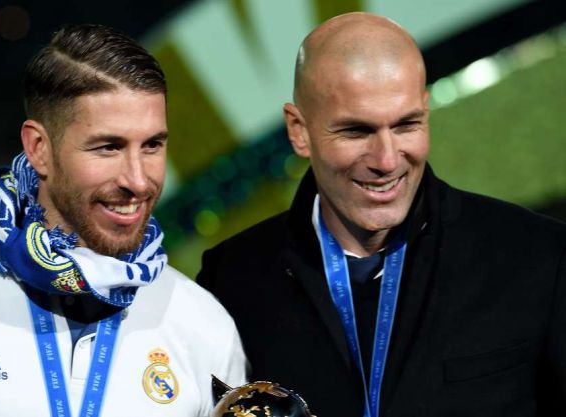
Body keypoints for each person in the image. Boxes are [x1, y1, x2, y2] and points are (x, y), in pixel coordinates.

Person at [197, 12, 566, 417]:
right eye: (356, 131)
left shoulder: (537, 257)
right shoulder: (232, 279)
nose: (387, 161)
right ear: (299, 130)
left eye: (406, 125)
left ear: (425, 111)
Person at [0, 24, 246, 417]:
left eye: (152, 145)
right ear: (39, 149)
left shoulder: (203, 322)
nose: (138, 180)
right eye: (108, 147)